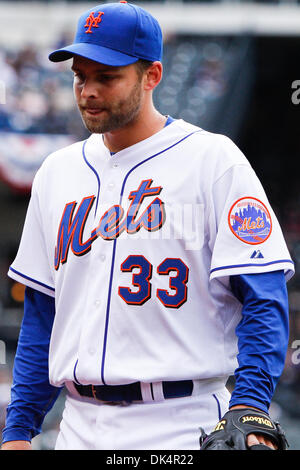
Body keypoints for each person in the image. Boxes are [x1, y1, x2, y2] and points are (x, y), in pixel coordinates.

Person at [1, 1, 294, 451]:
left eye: (107, 76)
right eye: (81, 76)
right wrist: (20, 428)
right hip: (77, 426)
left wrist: (250, 403)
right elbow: (43, 314)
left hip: (181, 421)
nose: (88, 91)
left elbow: (263, 294)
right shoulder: (56, 173)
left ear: (152, 75)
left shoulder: (213, 161)